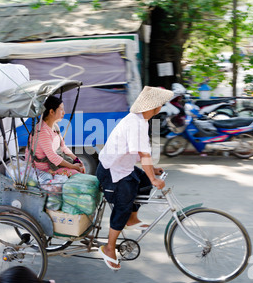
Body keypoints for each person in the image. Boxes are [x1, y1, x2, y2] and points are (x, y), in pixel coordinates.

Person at [96, 86, 174, 271]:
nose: (161, 108)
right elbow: (143, 153)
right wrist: (155, 177)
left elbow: (137, 151)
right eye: (160, 105)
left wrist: (151, 172)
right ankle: (108, 248)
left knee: (144, 182)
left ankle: (132, 219)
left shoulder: (141, 120)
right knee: (123, 204)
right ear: (153, 106)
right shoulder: (136, 123)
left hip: (123, 167)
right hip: (111, 171)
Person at [26, 96, 85, 177]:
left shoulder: (55, 126)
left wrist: (76, 159)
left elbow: (63, 147)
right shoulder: (42, 131)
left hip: (54, 163)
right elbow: (52, 156)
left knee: (81, 169)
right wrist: (72, 166)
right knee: (76, 174)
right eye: (61, 110)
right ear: (51, 112)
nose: (64, 113)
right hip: (44, 169)